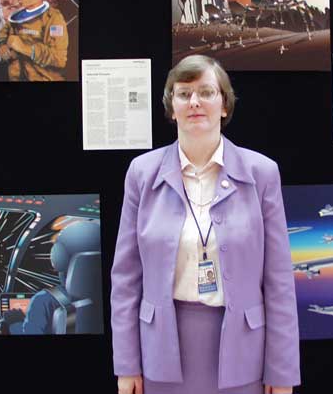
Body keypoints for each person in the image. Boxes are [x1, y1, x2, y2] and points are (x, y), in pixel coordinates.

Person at [111, 55, 300, 394]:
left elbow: (279, 282)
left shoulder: (262, 174)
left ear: (224, 105)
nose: (195, 102)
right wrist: (127, 365)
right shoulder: (142, 173)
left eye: (206, 92)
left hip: (244, 353)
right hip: (161, 352)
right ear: (172, 108)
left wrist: (282, 372)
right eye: (183, 94)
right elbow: (125, 279)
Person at [0, 0, 69, 81]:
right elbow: (3, 33)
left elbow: (59, 58)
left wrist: (25, 48)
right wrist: (2, 44)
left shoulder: (53, 18)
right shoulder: (17, 17)